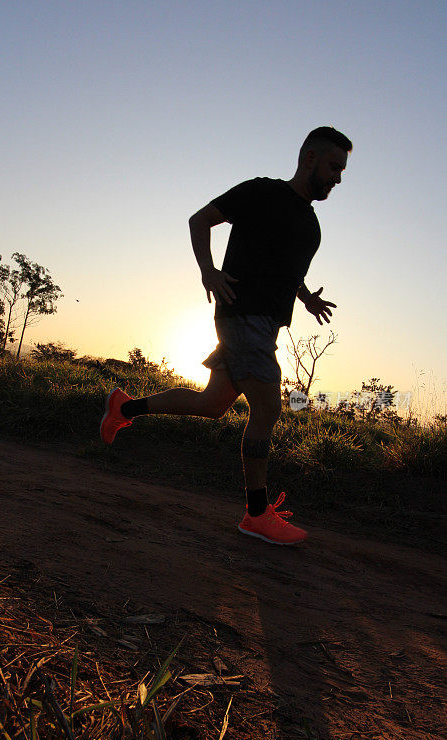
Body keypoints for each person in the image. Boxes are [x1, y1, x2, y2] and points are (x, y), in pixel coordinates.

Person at [100, 126, 352, 545]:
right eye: (333, 167)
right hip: (241, 315)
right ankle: (256, 514)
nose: (338, 178)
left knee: (213, 403)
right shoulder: (261, 192)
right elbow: (200, 220)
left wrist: (306, 298)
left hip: (265, 326)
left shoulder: (311, 226)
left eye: (342, 171)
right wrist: (208, 270)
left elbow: (289, 272)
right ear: (309, 158)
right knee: (268, 409)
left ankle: (125, 408)